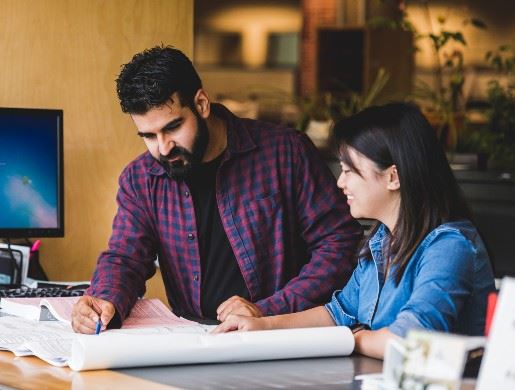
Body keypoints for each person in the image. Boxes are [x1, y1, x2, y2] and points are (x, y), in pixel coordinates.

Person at [71, 46, 362, 334]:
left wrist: (269, 310)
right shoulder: (141, 179)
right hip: (196, 341)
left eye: (172, 128)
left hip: (279, 335)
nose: (163, 147)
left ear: (201, 104)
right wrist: (104, 299)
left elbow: (339, 242)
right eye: (148, 135)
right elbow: (125, 257)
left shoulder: (285, 152)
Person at [214, 102, 496, 359]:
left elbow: (408, 341)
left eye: (350, 171)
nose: (340, 183)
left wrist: (351, 339)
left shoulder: (449, 246)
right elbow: (337, 313)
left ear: (393, 177)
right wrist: (262, 324)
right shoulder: (381, 241)